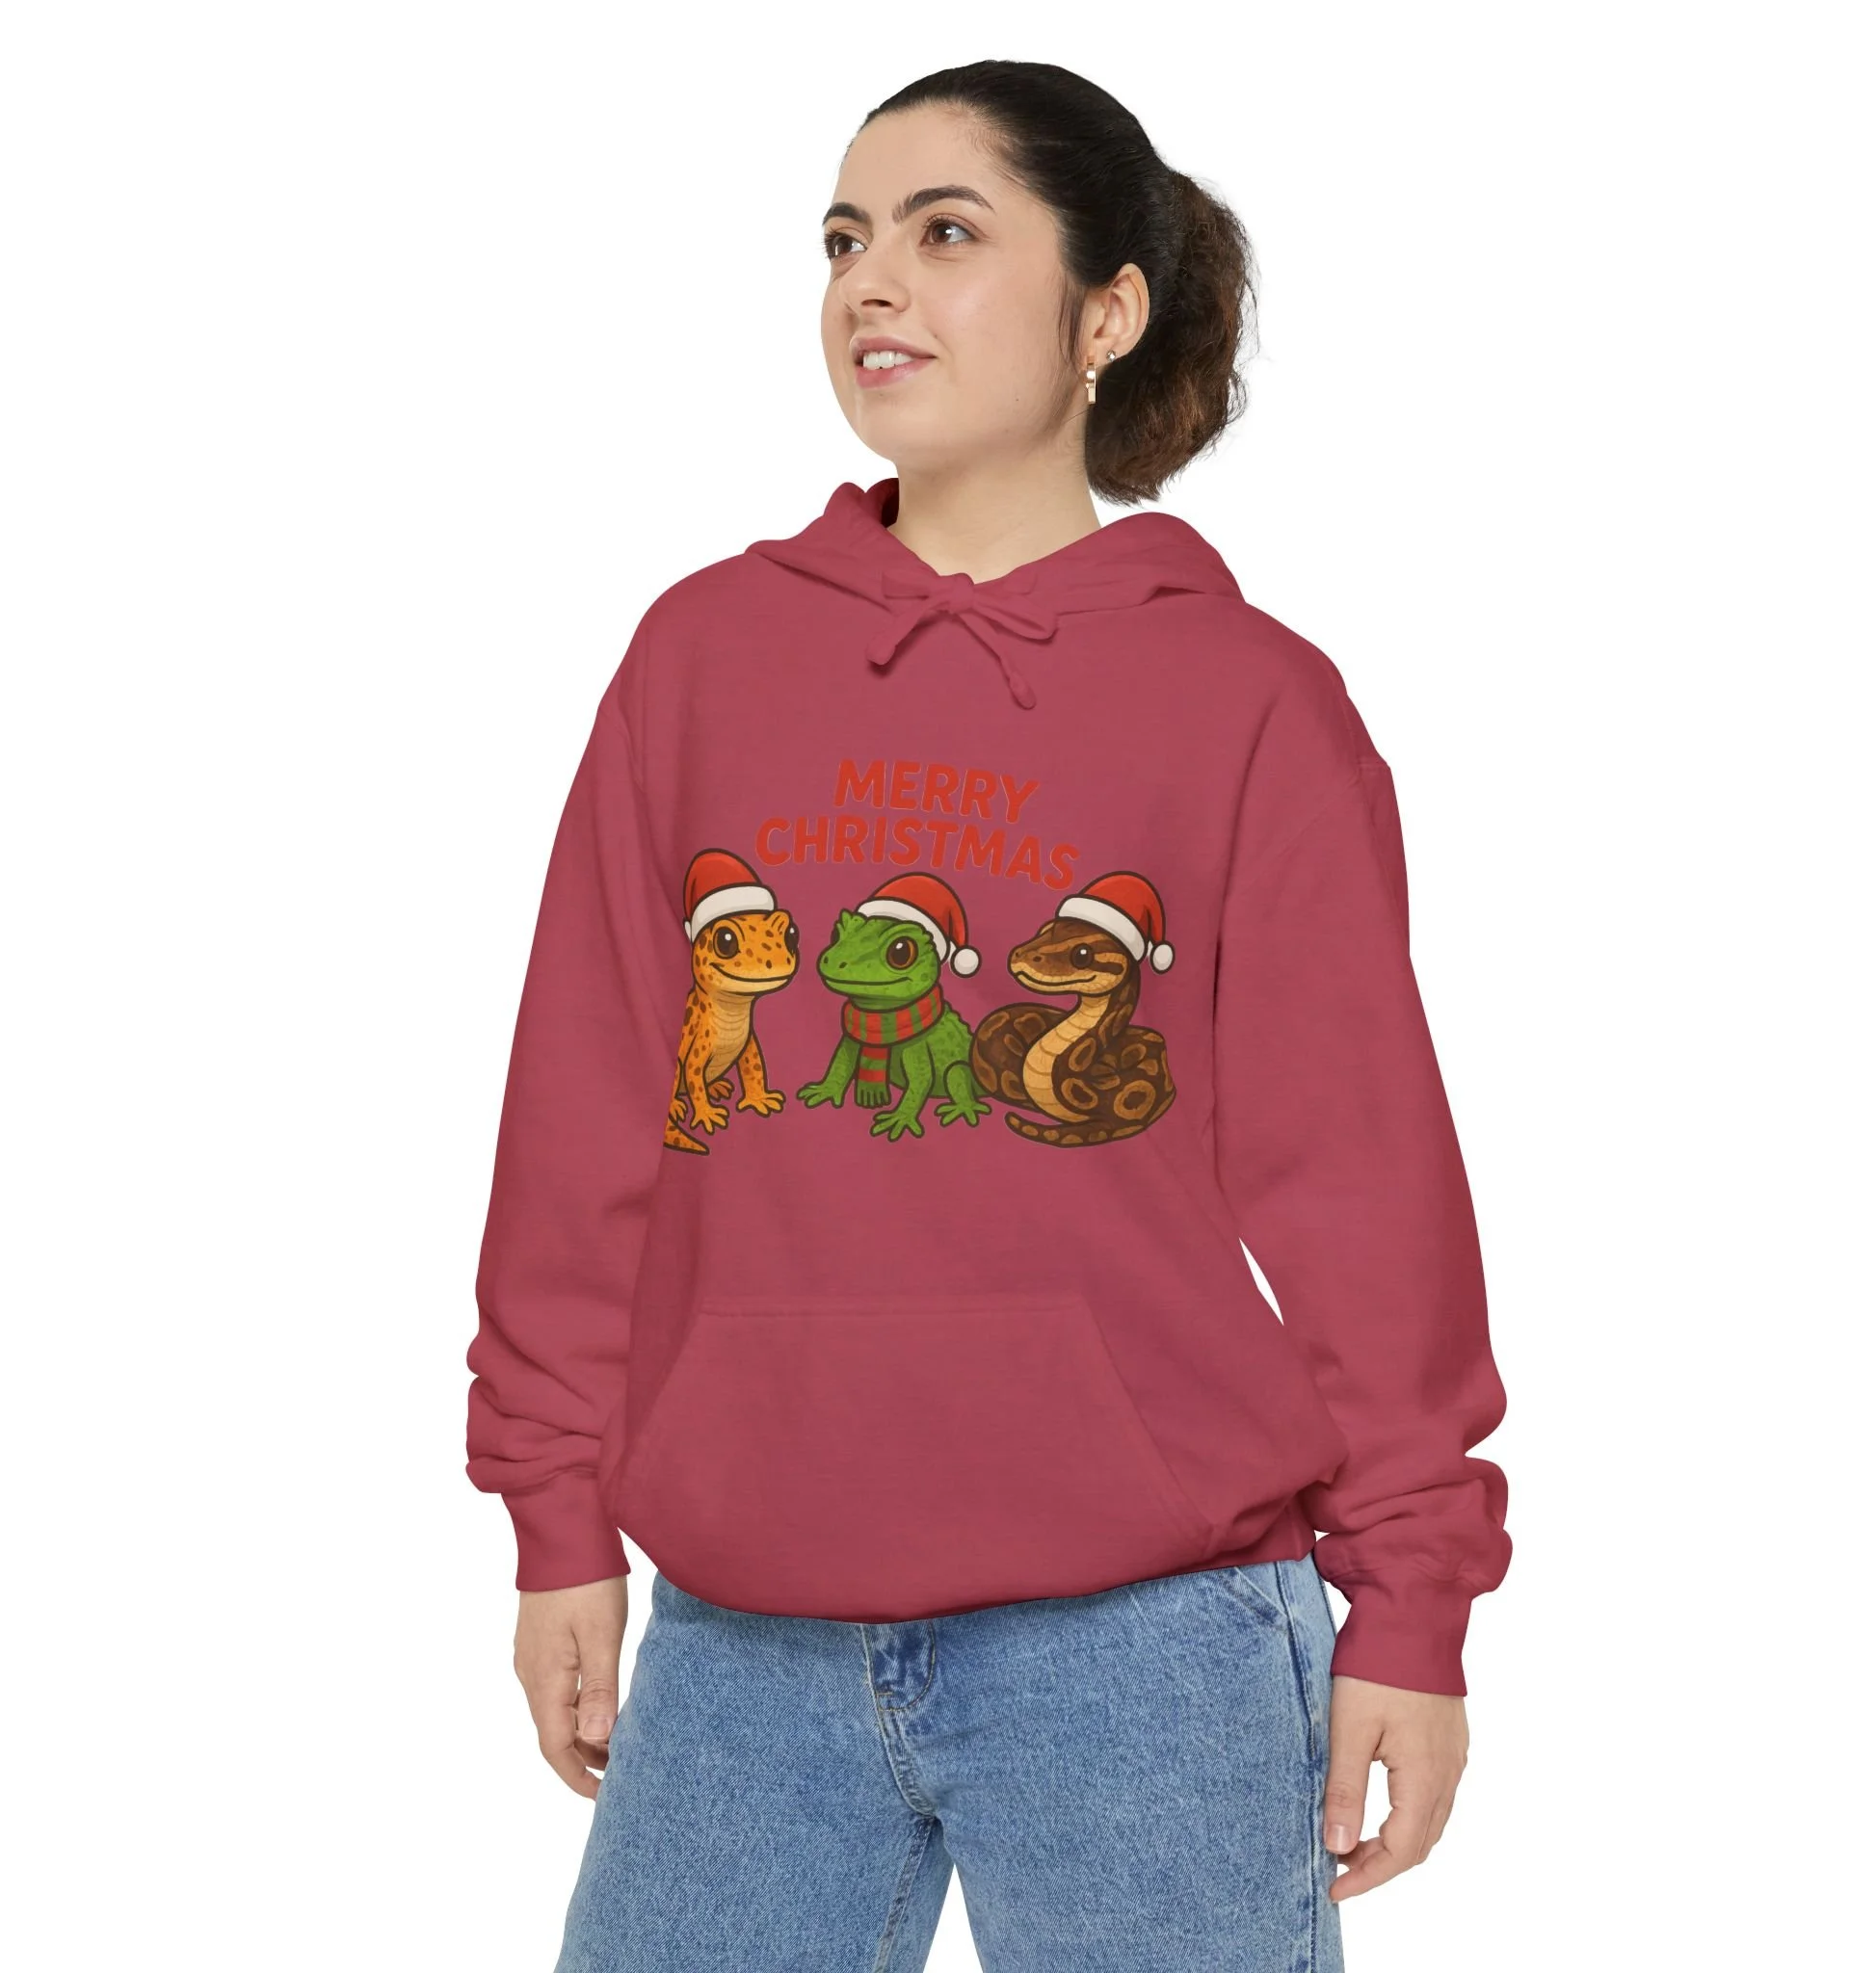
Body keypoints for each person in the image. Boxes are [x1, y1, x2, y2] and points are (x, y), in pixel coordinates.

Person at [464, 58, 1512, 1973]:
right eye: (844, 240)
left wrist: (1415, 1606)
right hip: (742, 1641)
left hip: (1154, 1643)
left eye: (947, 233)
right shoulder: (703, 658)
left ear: (1107, 312)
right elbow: (590, 1110)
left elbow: (1361, 1188)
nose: (873, 283)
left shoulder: (1250, 700)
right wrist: (553, 1513)